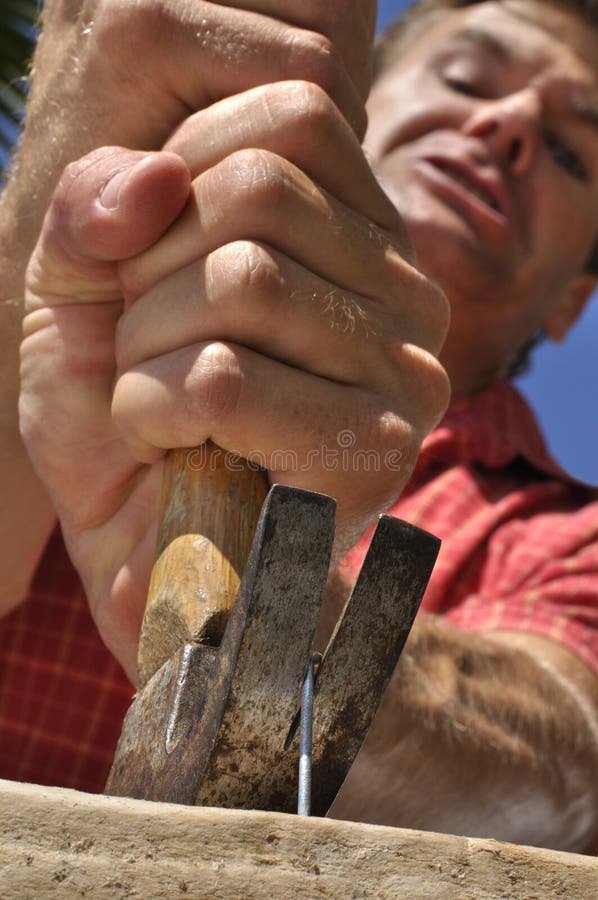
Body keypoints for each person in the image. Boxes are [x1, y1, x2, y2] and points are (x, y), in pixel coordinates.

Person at [3, 0, 598, 853]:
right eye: (466, 78)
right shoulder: (77, 321)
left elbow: (568, 779)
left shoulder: (571, 539)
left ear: (575, 299)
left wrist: (275, 618)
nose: (509, 126)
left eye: (573, 154)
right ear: (355, 104)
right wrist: (46, 209)